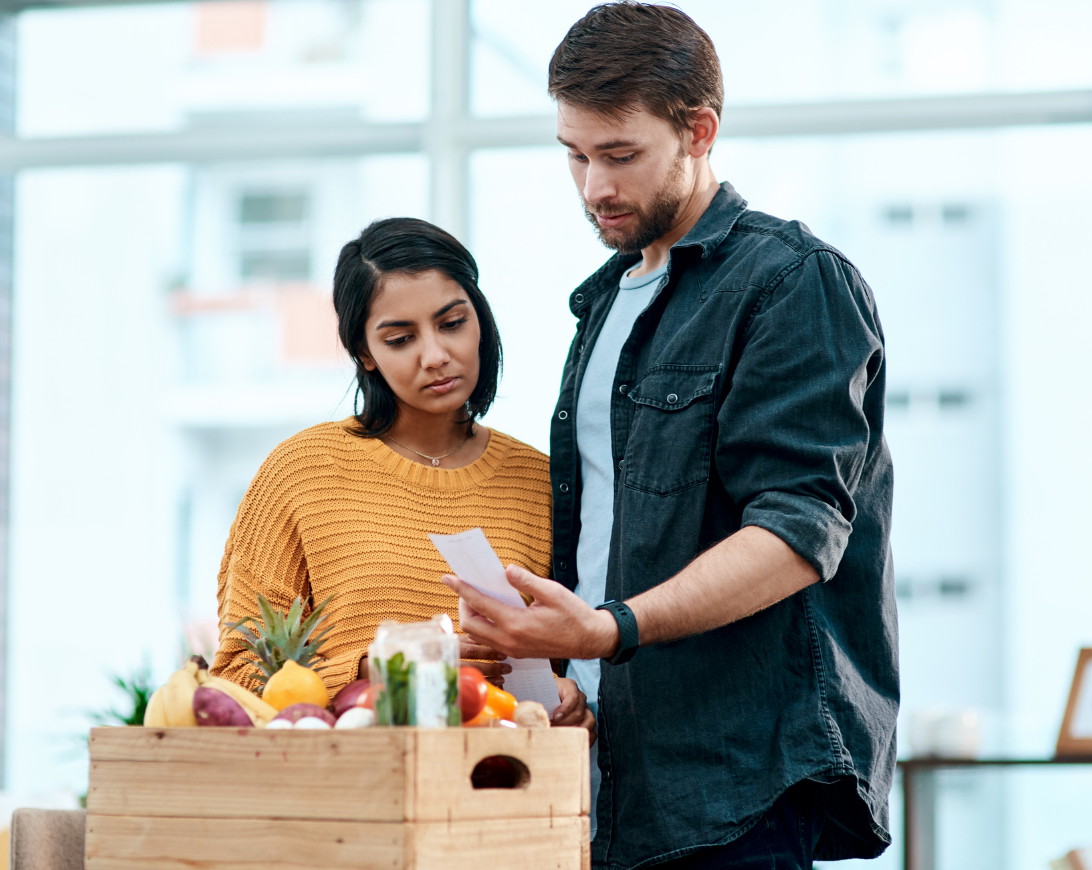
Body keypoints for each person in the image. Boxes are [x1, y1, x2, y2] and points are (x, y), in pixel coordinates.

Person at [442, 3, 898, 868]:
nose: (594, 188)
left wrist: (607, 630)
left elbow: (798, 534)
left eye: (620, 156)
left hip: (742, 785)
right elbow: (618, 537)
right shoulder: (605, 303)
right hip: (617, 775)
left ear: (700, 130)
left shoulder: (793, 283)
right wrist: (576, 680)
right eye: (574, 156)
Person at [210, 216, 591, 731]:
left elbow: (577, 651)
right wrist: (379, 671)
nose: (435, 356)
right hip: (354, 793)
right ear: (364, 352)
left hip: (501, 792)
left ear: (480, 319)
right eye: (400, 338)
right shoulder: (301, 472)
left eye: (453, 323)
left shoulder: (543, 482)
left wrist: (572, 700)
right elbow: (237, 677)